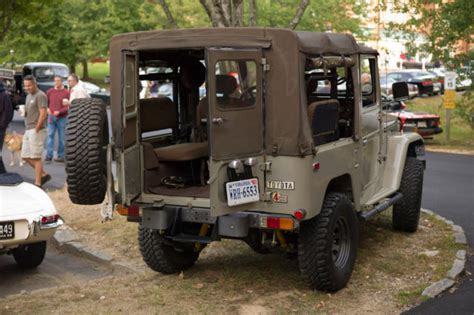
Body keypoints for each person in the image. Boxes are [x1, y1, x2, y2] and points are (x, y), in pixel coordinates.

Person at [21, 75, 51, 187]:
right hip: (28, 129)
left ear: (35, 84)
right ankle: (43, 174)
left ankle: (38, 183)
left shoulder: (41, 95)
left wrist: (37, 128)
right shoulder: (29, 96)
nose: (27, 87)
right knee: (25, 155)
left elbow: (43, 114)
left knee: (36, 157)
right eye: (25, 86)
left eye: (29, 85)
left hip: (36, 129)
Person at [45, 75, 70, 163]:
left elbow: (67, 107)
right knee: (50, 136)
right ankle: (49, 155)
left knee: (61, 138)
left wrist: (59, 112)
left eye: (58, 81)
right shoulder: (50, 91)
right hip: (51, 117)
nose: (57, 82)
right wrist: (47, 109)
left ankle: (61, 156)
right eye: (55, 81)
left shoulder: (66, 92)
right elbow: (45, 103)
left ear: (62, 81)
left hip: (62, 118)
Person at [0, 81, 14, 174]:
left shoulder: (4, 95)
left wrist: (2, 125)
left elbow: (8, 112)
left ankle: (3, 173)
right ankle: (3, 173)